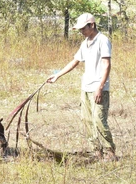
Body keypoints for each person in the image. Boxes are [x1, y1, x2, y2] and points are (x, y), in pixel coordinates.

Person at [46, 13, 118, 162]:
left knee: (99, 119)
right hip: (86, 87)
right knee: (86, 120)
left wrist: (100, 87)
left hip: (99, 88)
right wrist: (57, 75)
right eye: (80, 29)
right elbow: (74, 62)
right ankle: (96, 151)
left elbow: (106, 65)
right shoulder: (85, 42)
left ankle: (110, 152)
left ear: (92, 25)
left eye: (83, 28)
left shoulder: (103, 41)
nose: (81, 32)